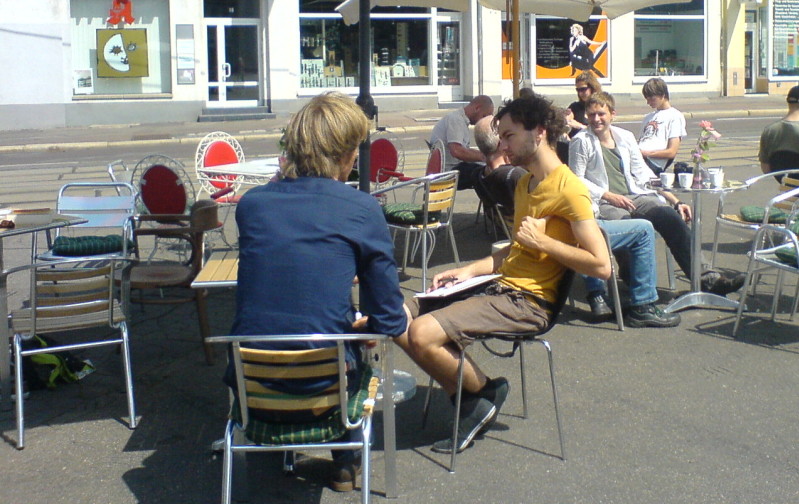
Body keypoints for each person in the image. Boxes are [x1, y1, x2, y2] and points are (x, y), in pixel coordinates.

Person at [399, 94, 610, 454]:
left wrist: (545, 242)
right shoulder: (526, 184)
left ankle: (478, 396)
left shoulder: (569, 189)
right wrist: (465, 271)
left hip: (529, 302)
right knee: (395, 316)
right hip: (500, 286)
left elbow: (601, 266)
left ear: (539, 132)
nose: (503, 145)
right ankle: (477, 395)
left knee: (421, 334)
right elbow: (513, 252)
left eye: (509, 135)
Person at [229, 92, 407, 493]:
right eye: (355, 151)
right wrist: (364, 324)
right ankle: (344, 460)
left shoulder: (253, 205)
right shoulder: (361, 208)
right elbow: (390, 320)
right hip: (326, 389)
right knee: (347, 336)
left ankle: (275, 438)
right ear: (345, 155)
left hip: (251, 383)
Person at [473, 116, 680, 328]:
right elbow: (560, 201)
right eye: (505, 136)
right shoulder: (520, 177)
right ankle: (639, 304)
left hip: (547, 233)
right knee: (639, 229)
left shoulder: (484, 175)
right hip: (563, 232)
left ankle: (601, 294)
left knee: (592, 222)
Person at [568, 91, 745, 296]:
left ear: (612, 114)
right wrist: (608, 195)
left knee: (669, 216)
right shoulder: (581, 141)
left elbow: (643, 173)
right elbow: (576, 178)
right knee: (628, 225)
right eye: (591, 115)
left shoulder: (624, 137)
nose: (596, 119)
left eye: (601, 114)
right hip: (604, 203)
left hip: (635, 195)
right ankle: (634, 280)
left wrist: (675, 200)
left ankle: (707, 279)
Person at [429, 94, 494, 190]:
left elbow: (464, 150)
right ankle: (492, 203)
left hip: (452, 169)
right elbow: (457, 151)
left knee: (487, 170)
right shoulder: (456, 120)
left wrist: (484, 155)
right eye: (484, 116)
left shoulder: (460, 120)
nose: (483, 121)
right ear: (477, 108)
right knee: (488, 173)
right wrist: (485, 157)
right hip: (449, 172)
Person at [637, 77, 687, 174]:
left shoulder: (675, 116)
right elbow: (642, 141)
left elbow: (671, 152)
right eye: (647, 99)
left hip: (652, 163)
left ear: (662, 95)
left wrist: (645, 154)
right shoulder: (648, 117)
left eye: (652, 98)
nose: (648, 102)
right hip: (639, 158)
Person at [565, 70, 601, 138]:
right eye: (578, 90)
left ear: (592, 88)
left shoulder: (601, 107)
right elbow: (568, 120)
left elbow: (602, 131)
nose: (580, 93)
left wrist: (580, 126)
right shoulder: (575, 107)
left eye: (583, 89)